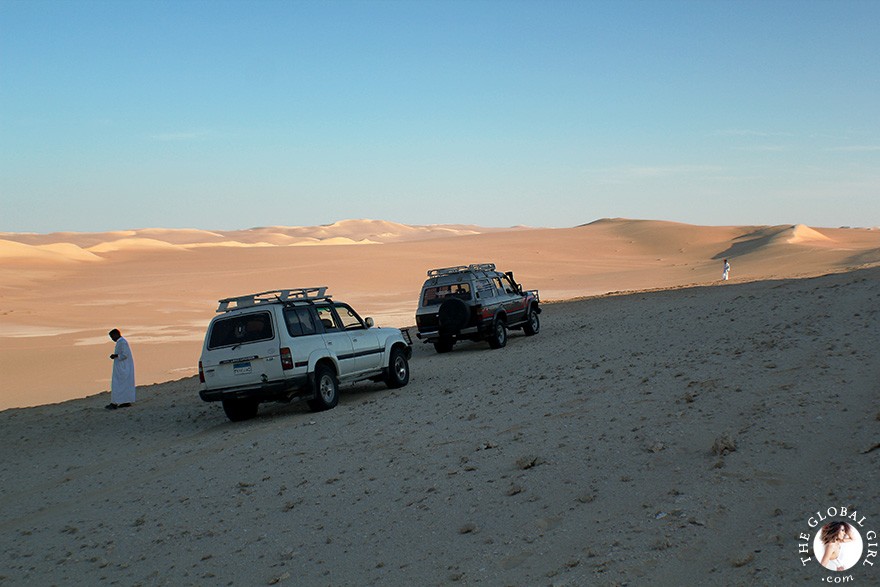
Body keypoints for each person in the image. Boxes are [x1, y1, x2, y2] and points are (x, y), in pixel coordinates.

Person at [106, 328, 135, 409]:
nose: (112, 339)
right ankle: (123, 401)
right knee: (121, 385)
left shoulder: (122, 342)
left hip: (123, 367)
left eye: (112, 337)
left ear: (116, 334)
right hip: (121, 366)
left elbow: (124, 355)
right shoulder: (121, 342)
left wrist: (115, 356)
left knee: (118, 385)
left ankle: (117, 402)